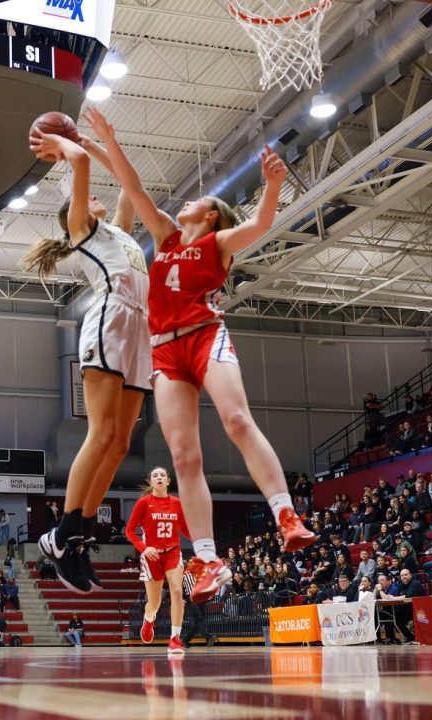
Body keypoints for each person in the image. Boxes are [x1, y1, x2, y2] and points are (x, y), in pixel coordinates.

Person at [86, 107, 315, 603]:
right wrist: (103, 138)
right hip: (166, 354)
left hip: (205, 337)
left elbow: (261, 222)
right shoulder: (167, 236)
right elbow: (134, 186)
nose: (187, 201)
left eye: (198, 200)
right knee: (185, 457)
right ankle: (209, 560)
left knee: (235, 419)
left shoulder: (218, 242)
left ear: (210, 214)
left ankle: (285, 513)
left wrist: (273, 184)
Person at [26, 128, 149, 595]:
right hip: (109, 321)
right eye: (87, 196)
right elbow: (80, 168)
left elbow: (129, 183)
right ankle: (64, 533)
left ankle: (78, 541)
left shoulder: (118, 232)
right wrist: (66, 147)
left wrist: (105, 143)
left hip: (140, 329)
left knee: (119, 444)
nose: (96, 196)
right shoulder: (82, 229)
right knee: (99, 434)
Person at [126, 467, 191, 655]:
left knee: (177, 591)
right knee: (154, 603)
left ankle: (175, 639)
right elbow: (129, 531)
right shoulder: (144, 503)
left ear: (168, 481)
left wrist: (200, 536)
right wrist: (144, 548)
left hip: (172, 552)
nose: (159, 477)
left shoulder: (177, 503)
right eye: (155, 475)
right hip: (151, 555)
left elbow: (186, 530)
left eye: (163, 475)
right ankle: (148, 620)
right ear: (151, 482)